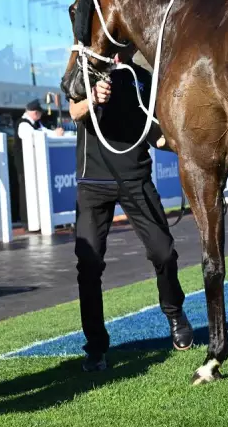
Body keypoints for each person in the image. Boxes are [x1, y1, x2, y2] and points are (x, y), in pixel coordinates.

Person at [68, 70, 193, 372]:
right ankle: (95, 347)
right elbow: (74, 110)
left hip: (136, 178)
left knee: (163, 252)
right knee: (89, 264)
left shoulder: (142, 75)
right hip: (93, 182)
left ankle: (174, 312)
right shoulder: (85, 65)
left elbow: (152, 127)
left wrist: (179, 141)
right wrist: (92, 99)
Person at [13, 99, 64, 228]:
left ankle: (38, 220)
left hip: (34, 165)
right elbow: (35, 136)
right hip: (25, 165)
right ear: (35, 113)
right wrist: (53, 134)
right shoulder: (23, 124)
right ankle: (27, 222)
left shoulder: (35, 123)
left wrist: (55, 134)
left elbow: (44, 132)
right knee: (26, 193)